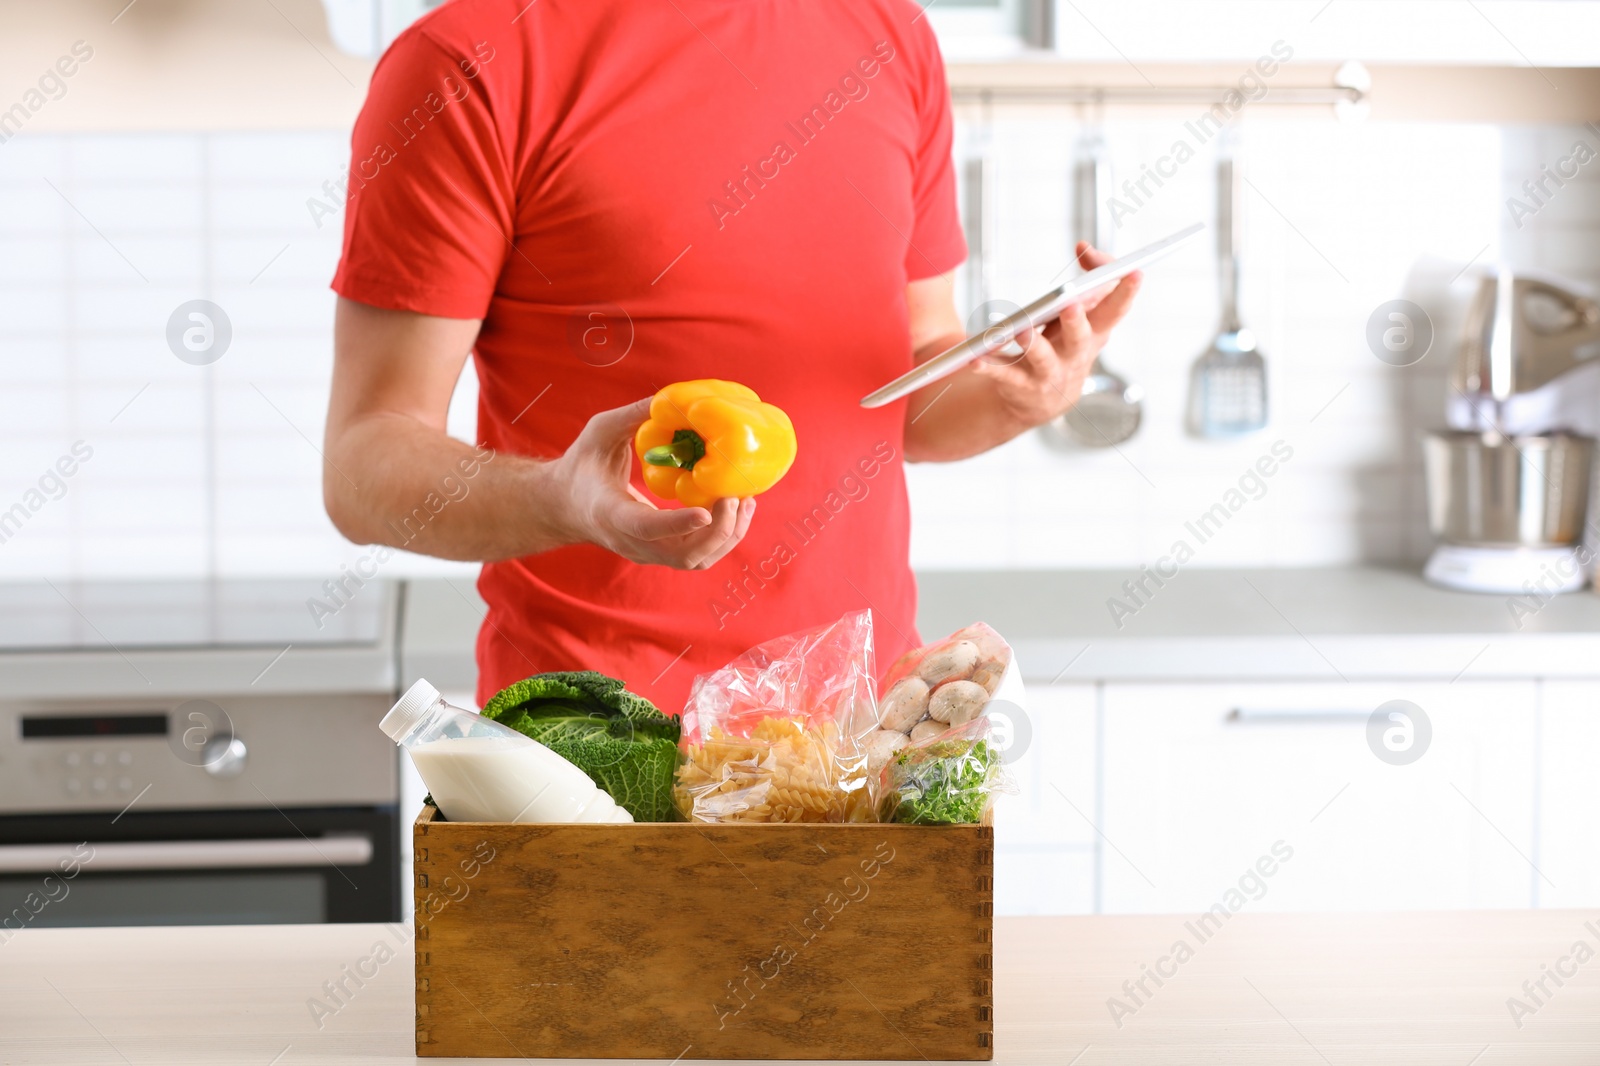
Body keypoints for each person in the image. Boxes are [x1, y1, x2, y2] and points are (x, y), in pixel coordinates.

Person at [322, 0, 1142, 712]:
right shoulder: (467, 63)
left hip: (858, 730)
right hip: (596, 746)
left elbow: (916, 382)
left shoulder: (890, 35)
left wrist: (1022, 397)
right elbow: (366, 463)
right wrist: (558, 498)